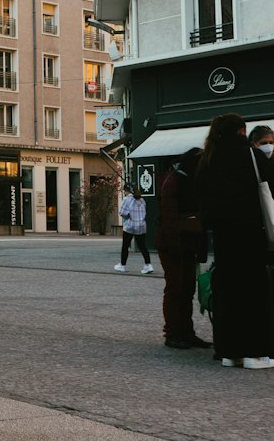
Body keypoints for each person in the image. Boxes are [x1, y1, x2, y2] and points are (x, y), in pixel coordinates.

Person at [198, 112, 274, 369]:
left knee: (227, 291)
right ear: (242, 131)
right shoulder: (251, 156)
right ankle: (255, 353)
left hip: (222, 235)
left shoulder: (208, 159)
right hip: (250, 232)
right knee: (253, 291)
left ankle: (230, 352)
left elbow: (202, 200)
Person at [157, 149, 210, 349]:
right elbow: (169, 217)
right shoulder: (175, 181)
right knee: (176, 288)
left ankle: (185, 332)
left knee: (186, 288)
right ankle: (173, 333)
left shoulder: (185, 180)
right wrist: (174, 244)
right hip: (176, 242)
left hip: (187, 241)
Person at [115, 183, 152, 273]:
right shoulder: (142, 200)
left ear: (127, 190)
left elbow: (122, 213)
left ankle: (122, 265)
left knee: (125, 246)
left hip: (130, 225)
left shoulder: (127, 199)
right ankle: (148, 265)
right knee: (142, 246)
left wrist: (128, 217)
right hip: (141, 226)